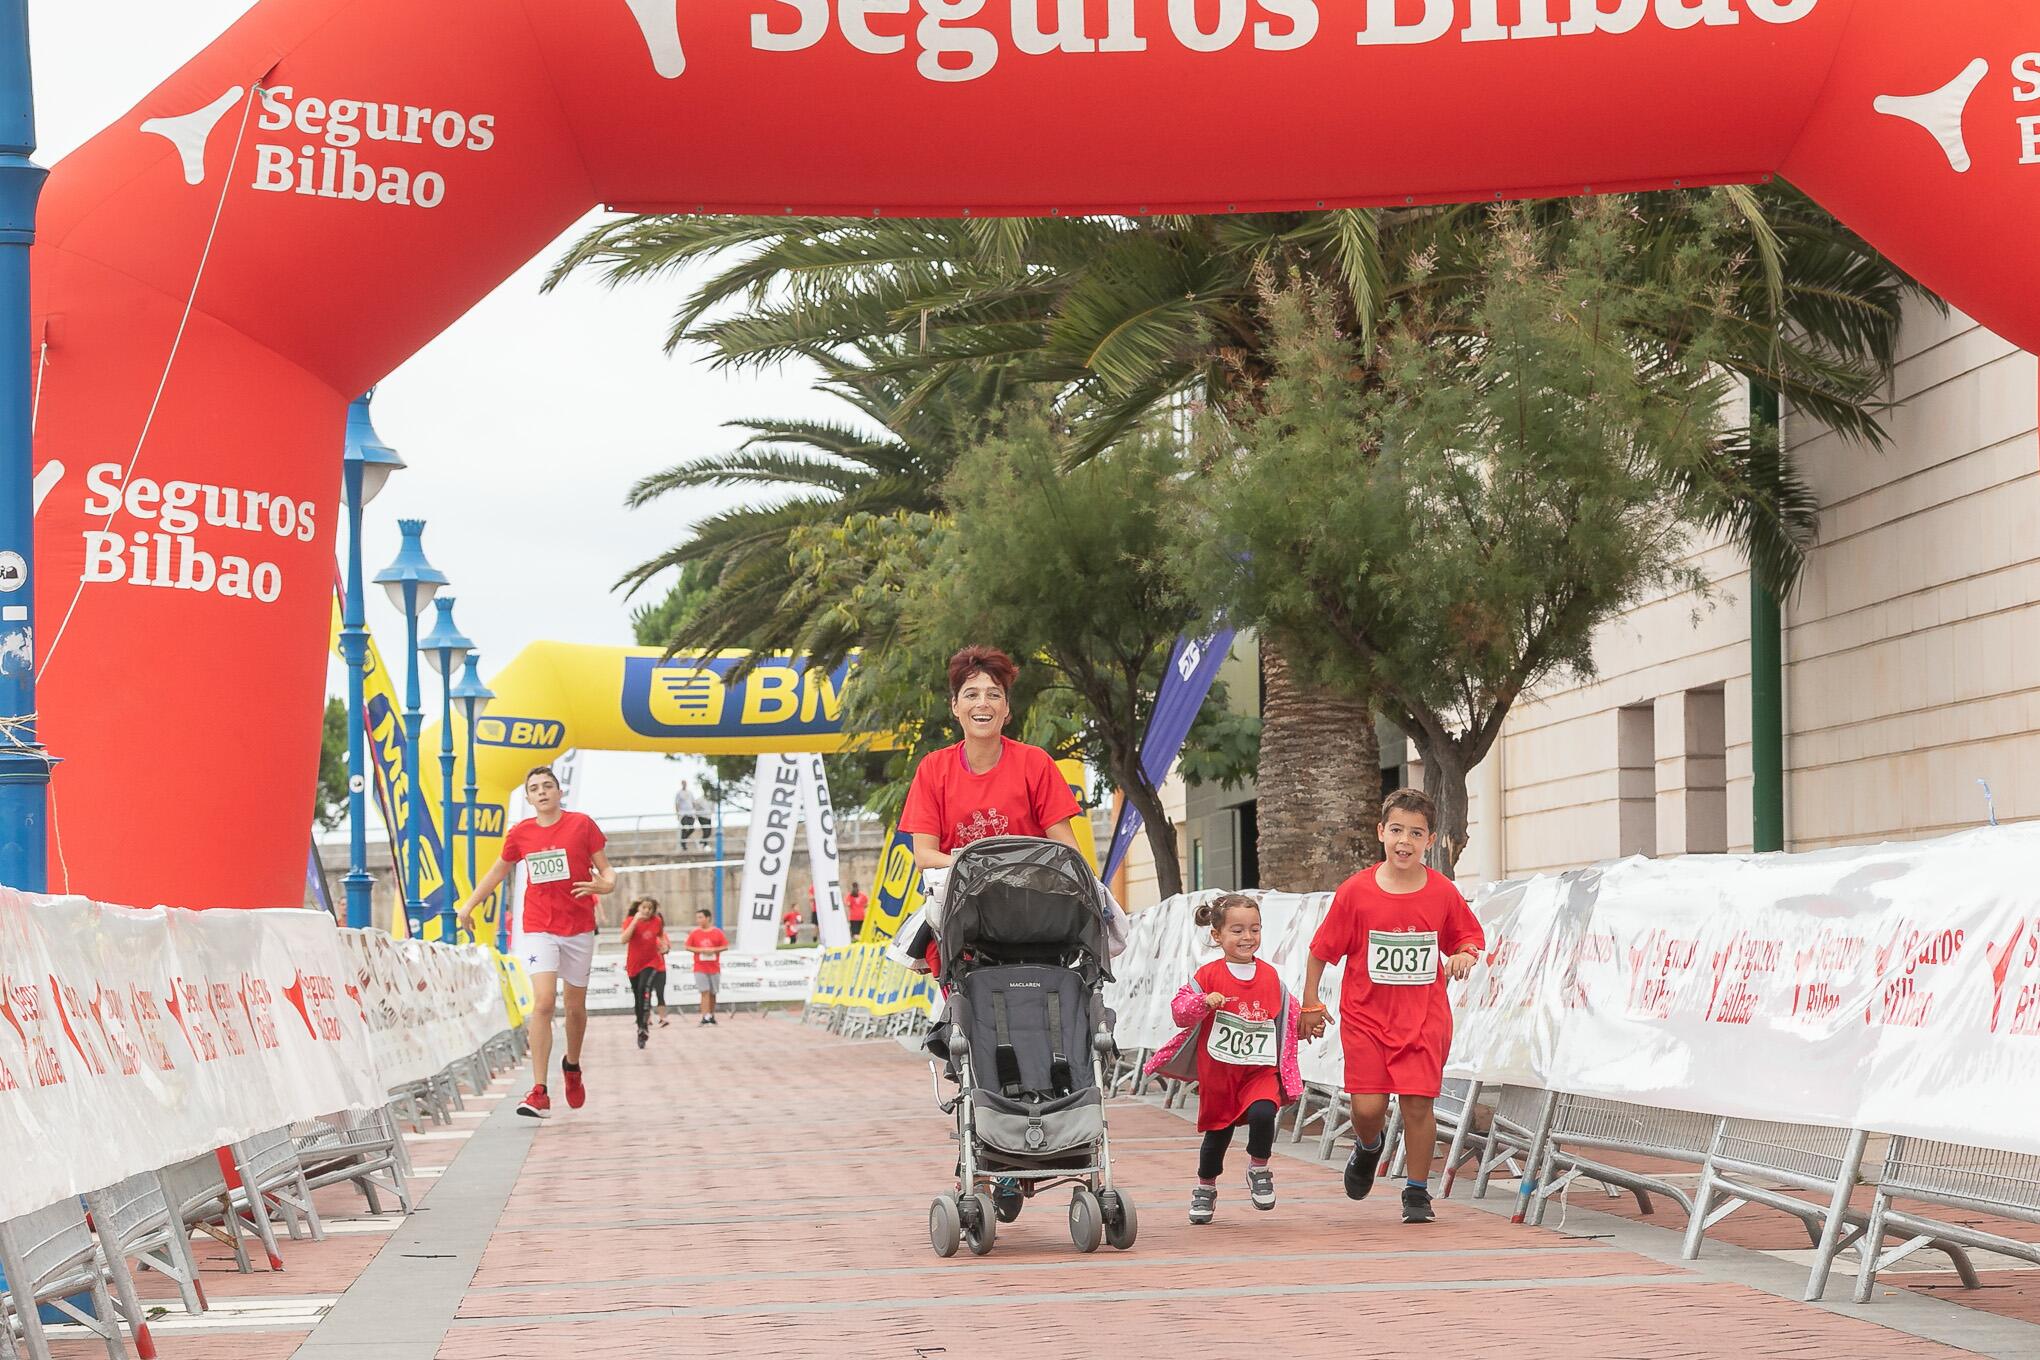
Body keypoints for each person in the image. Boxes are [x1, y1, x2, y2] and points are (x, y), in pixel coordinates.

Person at [1299, 788, 1484, 1224]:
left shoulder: (1442, 892)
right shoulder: (1356, 892)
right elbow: (1321, 951)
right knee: (1367, 1109)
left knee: (1418, 1104)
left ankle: (1417, 1192)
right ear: (1381, 831)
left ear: (1431, 840)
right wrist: (1310, 1001)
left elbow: (1468, 937)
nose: (1405, 841)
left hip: (1423, 1019)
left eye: (1416, 833)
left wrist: (1465, 954)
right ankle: (1368, 1147)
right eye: (1397, 830)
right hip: (1366, 1018)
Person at [458, 765, 614, 1119]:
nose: (542, 792)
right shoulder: (521, 834)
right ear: (528, 798)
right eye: (534, 788)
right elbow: (499, 870)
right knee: (543, 1003)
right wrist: (469, 904)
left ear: (559, 793)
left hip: (578, 927)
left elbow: (606, 870)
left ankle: (571, 1066)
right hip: (539, 927)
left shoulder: (582, 825)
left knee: (575, 1007)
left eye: (548, 786)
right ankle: (539, 1091)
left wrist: (608, 883)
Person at [1144, 893, 1302, 1225]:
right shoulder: (1208, 975)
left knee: (1264, 1112)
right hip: (1220, 1075)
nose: (1248, 938)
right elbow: (1179, 1011)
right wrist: (1203, 1001)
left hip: (1259, 1071)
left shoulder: (1272, 977)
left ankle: (1259, 1166)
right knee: (1218, 1135)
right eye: (1238, 930)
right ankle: (1205, 1187)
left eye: (1255, 929)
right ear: (1217, 935)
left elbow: (1288, 1015)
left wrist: (1309, 1019)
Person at [622, 896, 669, 1049]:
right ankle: (641, 1028)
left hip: (651, 962)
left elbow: (661, 936)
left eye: (650, 908)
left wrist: (664, 946)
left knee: (644, 988)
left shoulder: (657, 921)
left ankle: (644, 1026)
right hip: (634, 964)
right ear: (638, 908)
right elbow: (624, 939)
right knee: (637, 996)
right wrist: (635, 920)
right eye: (644, 907)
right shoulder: (630, 920)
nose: (647, 911)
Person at [685, 908, 728, 1024]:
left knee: (713, 993)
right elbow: (688, 946)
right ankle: (705, 1016)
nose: (698, 920)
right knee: (704, 991)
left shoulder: (717, 932)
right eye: (697, 918)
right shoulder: (695, 933)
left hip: (714, 967)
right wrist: (701, 950)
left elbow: (725, 946)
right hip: (700, 967)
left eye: (700, 917)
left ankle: (712, 1015)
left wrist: (713, 950)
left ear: (707, 918)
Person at [674, 779, 707, 851]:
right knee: (685, 828)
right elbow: (676, 804)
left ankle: (683, 841)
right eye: (683, 783)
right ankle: (683, 844)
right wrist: (677, 814)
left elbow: (693, 802)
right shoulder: (679, 793)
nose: (684, 784)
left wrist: (695, 812)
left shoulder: (690, 792)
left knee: (691, 829)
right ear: (681, 784)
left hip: (691, 814)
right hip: (683, 814)